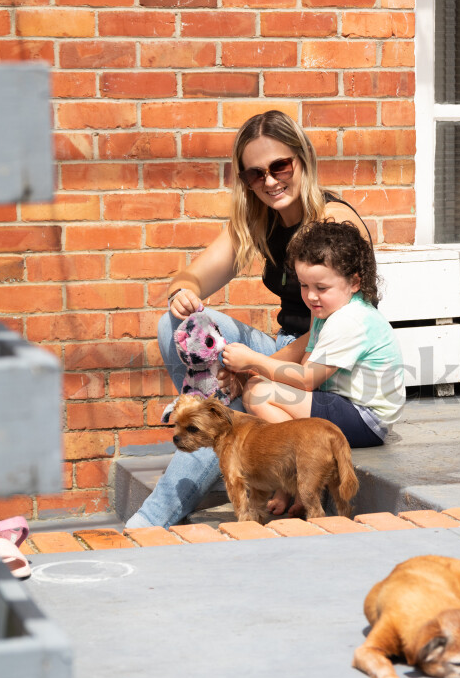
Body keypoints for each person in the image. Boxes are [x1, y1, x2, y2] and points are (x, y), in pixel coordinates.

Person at [125, 110, 372, 529]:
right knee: (178, 328)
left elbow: (330, 334)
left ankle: (152, 519)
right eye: (255, 175)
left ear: (303, 160)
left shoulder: (335, 222)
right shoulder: (259, 219)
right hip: (285, 345)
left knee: (226, 411)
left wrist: (256, 367)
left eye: (280, 166)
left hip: (330, 365)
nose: (270, 181)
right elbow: (192, 276)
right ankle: (226, 425)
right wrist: (182, 293)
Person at [221, 220, 405, 515]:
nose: (311, 296)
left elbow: (306, 380)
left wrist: (253, 362)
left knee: (257, 393)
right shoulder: (328, 309)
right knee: (258, 387)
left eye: (321, 287)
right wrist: (246, 372)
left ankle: (287, 478)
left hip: (366, 419)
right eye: (304, 286)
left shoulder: (350, 320)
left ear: (355, 282)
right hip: (346, 405)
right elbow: (305, 358)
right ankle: (288, 479)